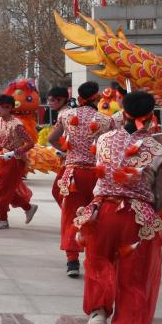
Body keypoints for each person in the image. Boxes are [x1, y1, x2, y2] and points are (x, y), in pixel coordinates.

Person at [77, 91, 162, 324]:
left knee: (98, 261)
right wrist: (149, 206)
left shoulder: (104, 139)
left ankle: (98, 312)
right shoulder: (159, 151)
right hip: (137, 218)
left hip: (103, 212)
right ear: (151, 116)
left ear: (123, 112)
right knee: (134, 272)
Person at [47, 81, 113, 277]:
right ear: (97, 97)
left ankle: (72, 260)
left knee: (70, 216)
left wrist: (66, 151)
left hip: (73, 174)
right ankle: (94, 257)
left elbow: (51, 138)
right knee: (96, 215)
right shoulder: (106, 120)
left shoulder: (66, 115)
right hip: (97, 175)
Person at [0, 94, 38, 229]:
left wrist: (14, 152)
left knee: (2, 189)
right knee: (7, 189)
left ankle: (2, 219)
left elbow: (30, 143)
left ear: (10, 108)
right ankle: (28, 207)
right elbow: (3, 141)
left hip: (16, 160)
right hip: (5, 158)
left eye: (4, 107)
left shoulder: (17, 125)